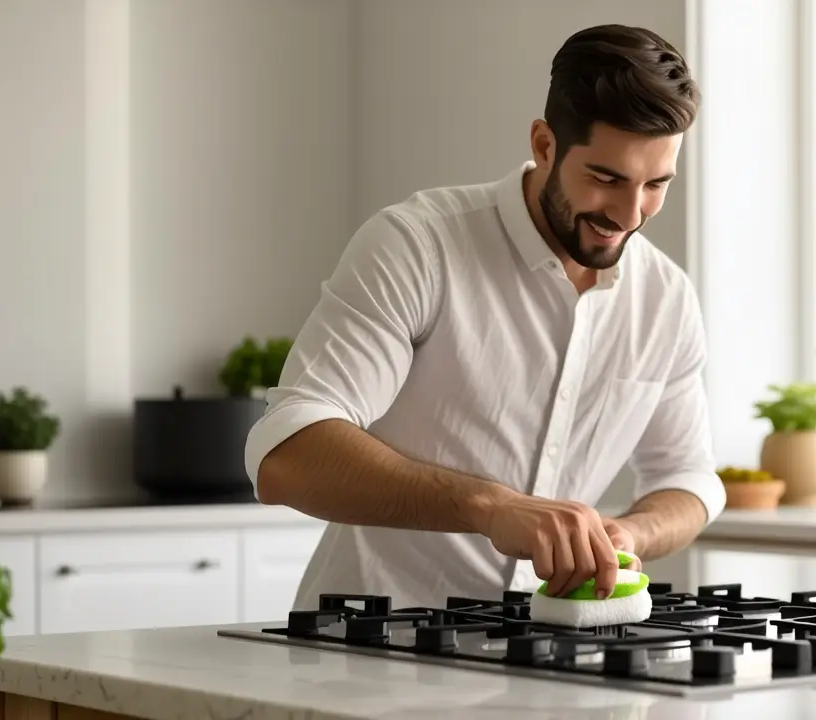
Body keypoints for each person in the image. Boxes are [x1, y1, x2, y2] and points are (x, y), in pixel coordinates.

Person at [244, 24, 725, 611]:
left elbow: (689, 480)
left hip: (546, 658)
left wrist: (620, 535)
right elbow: (286, 452)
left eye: (656, 184)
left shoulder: (666, 298)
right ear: (545, 145)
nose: (630, 213)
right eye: (606, 179)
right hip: (368, 654)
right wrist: (491, 508)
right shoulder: (418, 245)